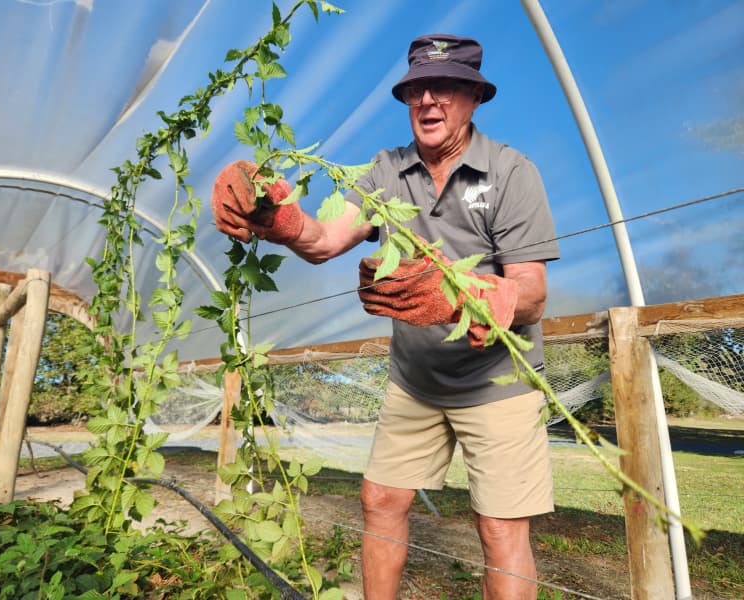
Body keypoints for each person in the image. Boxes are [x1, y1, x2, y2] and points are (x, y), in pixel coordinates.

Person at [211, 33, 559, 600]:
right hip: (416, 381)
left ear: (474, 98)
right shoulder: (384, 172)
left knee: (499, 526)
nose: (429, 101)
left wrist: (460, 297)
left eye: (445, 87)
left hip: (498, 382)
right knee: (381, 500)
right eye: (417, 89)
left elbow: (532, 293)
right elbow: (324, 239)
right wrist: (275, 217)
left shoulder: (511, 173)